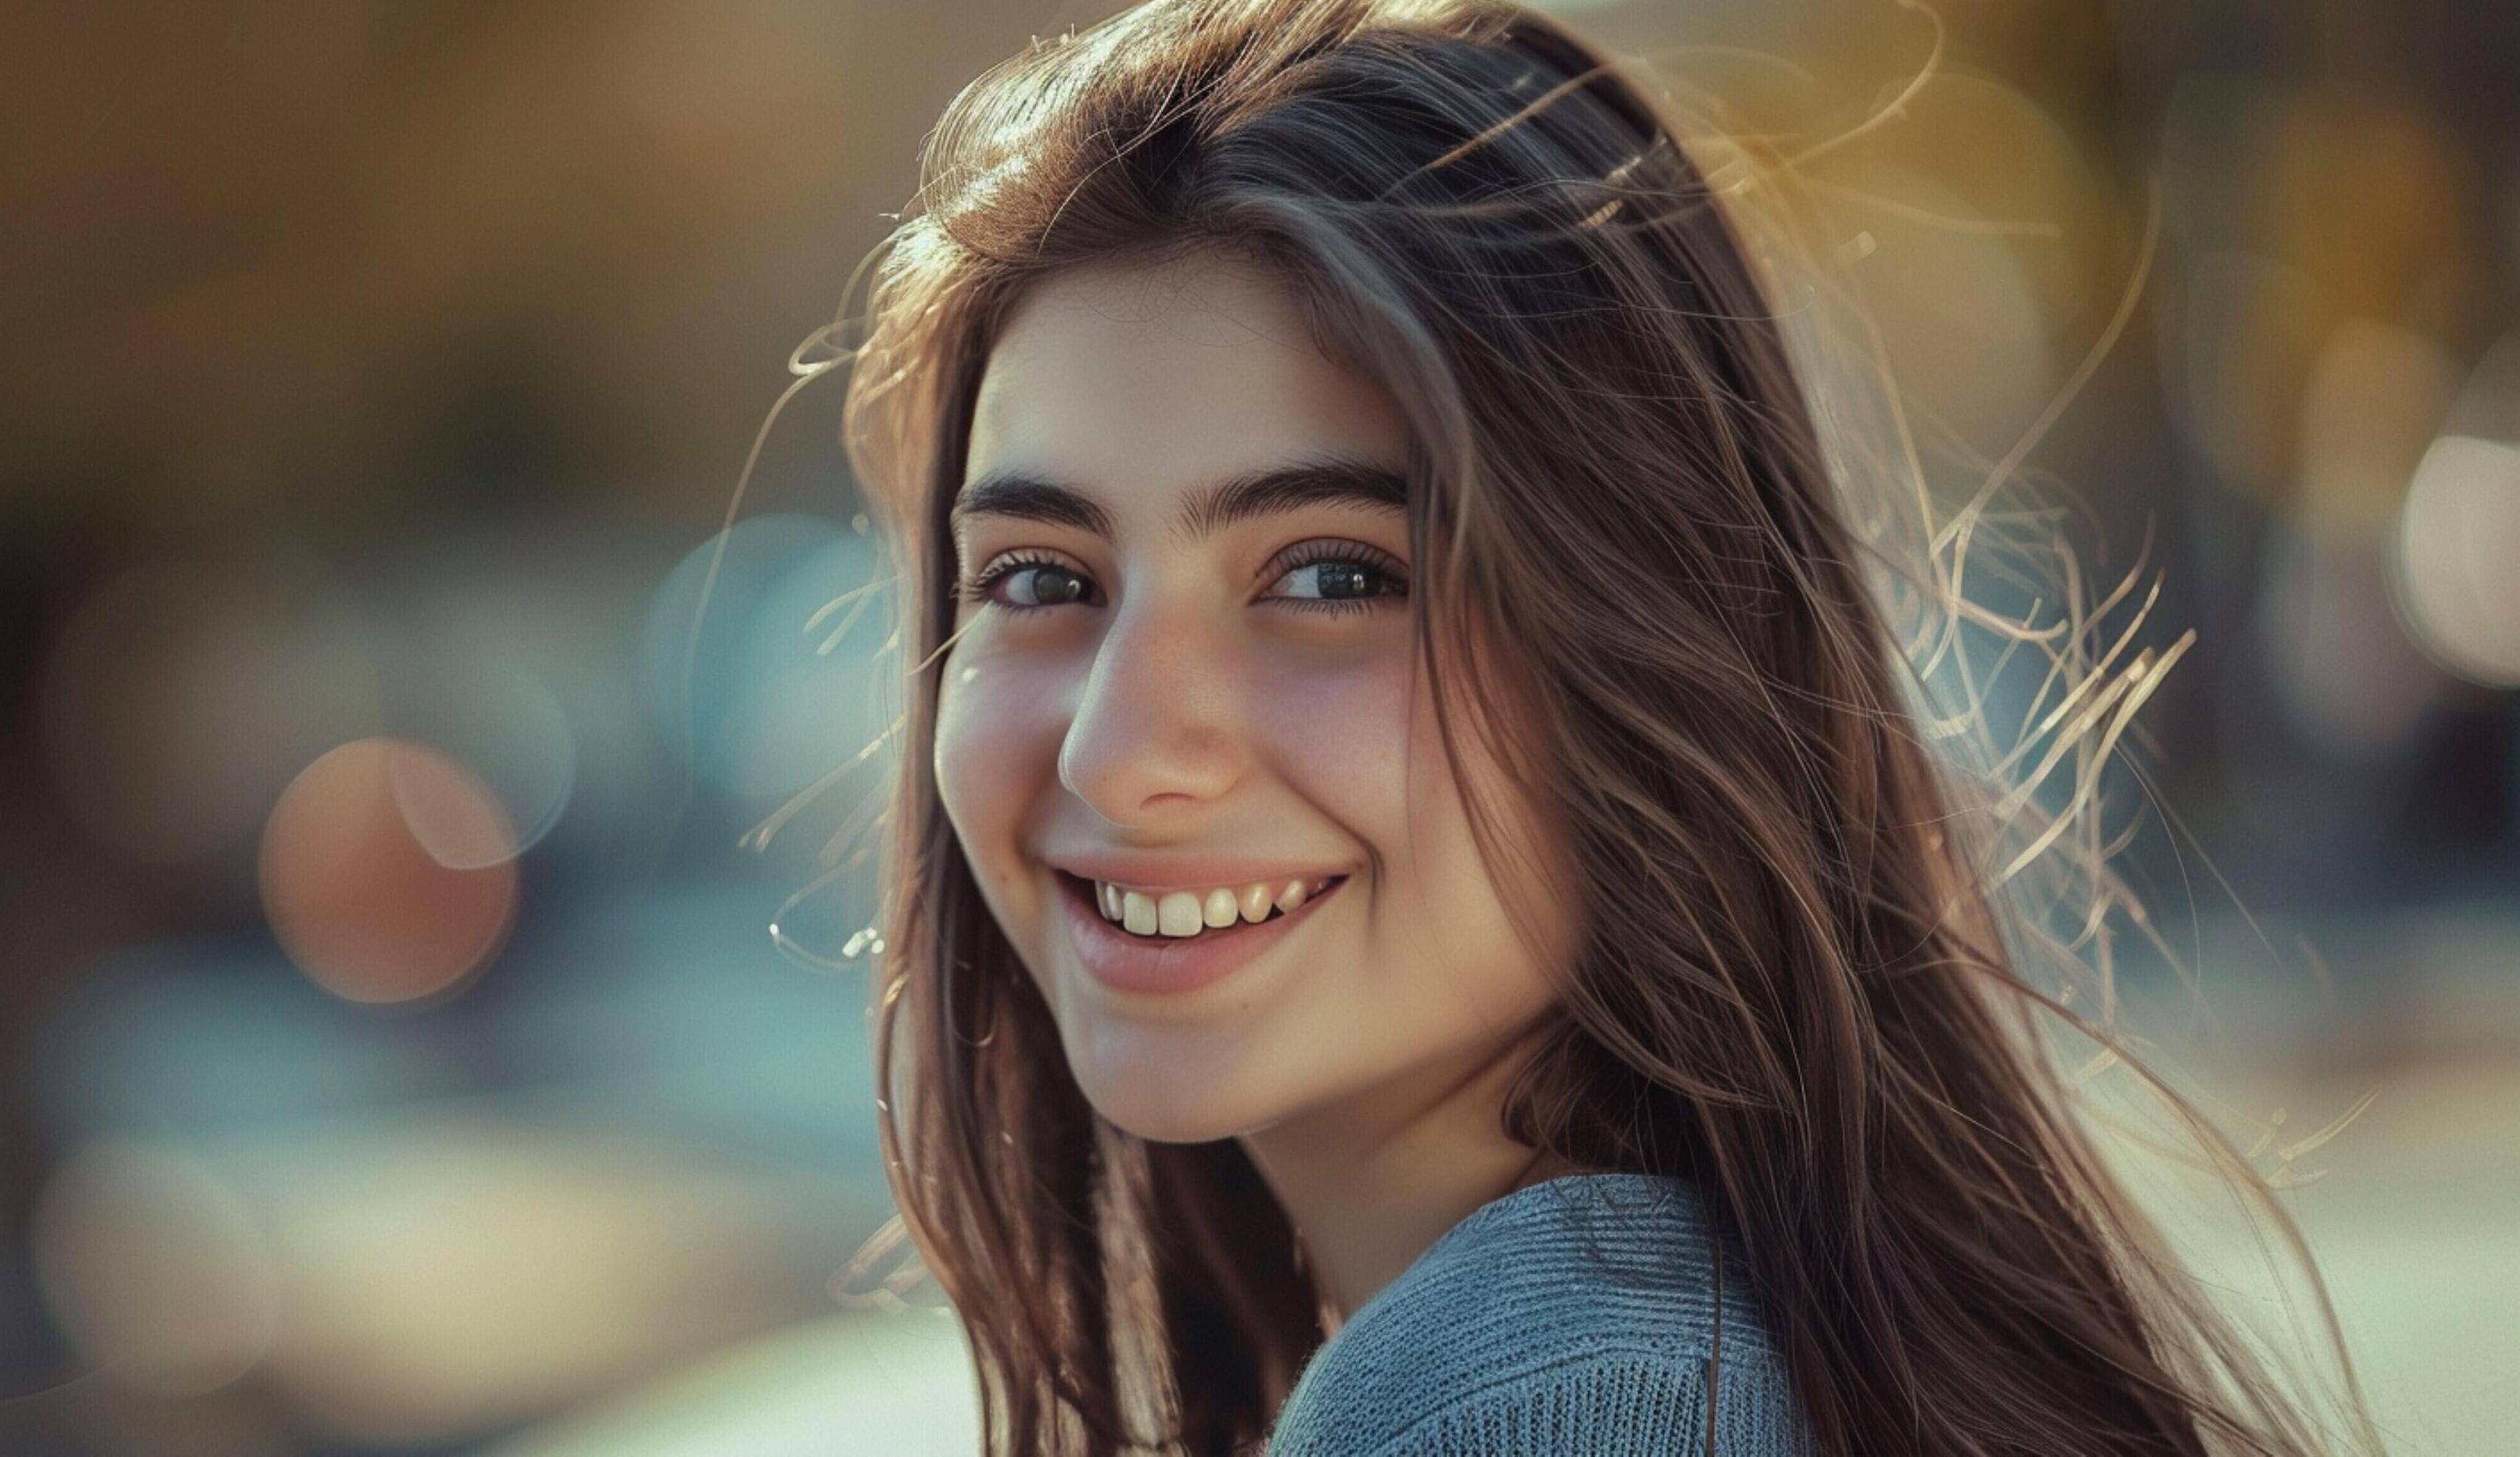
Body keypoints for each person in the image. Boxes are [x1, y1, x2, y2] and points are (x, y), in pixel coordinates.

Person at [825, 0, 2377, 1451]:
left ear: (1650, 637)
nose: (1117, 749)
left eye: (1333, 572)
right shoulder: (1706, 1346)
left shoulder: (1550, 1406)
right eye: (1039, 575)